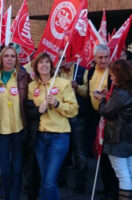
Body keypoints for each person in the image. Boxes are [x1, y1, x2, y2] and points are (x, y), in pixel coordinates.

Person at [27, 53, 78, 200]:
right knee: (46, 181)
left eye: (47, 62)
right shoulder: (32, 86)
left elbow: (74, 110)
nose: (44, 65)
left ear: (51, 65)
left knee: (49, 181)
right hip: (39, 138)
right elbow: (29, 110)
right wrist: (38, 110)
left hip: (59, 137)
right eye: (40, 62)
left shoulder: (63, 83)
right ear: (36, 67)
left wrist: (57, 104)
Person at [0, 46, 30, 200]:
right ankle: (6, 193)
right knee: (4, 169)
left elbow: (28, 101)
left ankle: (14, 197)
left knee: (17, 169)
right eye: (6, 56)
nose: (10, 59)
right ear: (1, 59)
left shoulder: (23, 76)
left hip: (18, 128)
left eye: (13, 56)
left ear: (16, 59)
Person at [97, 59, 132, 200]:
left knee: (122, 174)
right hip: (128, 137)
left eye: (112, 74)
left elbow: (107, 111)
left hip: (118, 139)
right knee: (128, 172)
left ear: (119, 75)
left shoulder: (121, 93)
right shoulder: (127, 91)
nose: (111, 77)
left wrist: (101, 100)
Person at [87, 44, 118, 200]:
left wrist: (104, 98)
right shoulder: (91, 71)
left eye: (106, 57)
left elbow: (117, 98)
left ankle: (112, 191)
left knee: (109, 158)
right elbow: (86, 91)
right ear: (95, 58)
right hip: (94, 117)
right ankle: (105, 187)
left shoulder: (113, 73)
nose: (103, 60)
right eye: (100, 57)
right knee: (98, 155)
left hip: (109, 119)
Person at [57, 50, 89, 193]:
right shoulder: (56, 71)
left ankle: (80, 184)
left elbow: (88, 92)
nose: (64, 60)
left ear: (72, 57)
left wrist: (78, 87)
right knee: (62, 150)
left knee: (80, 152)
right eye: (61, 58)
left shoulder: (82, 71)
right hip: (61, 115)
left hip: (78, 117)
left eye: (66, 57)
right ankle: (61, 180)